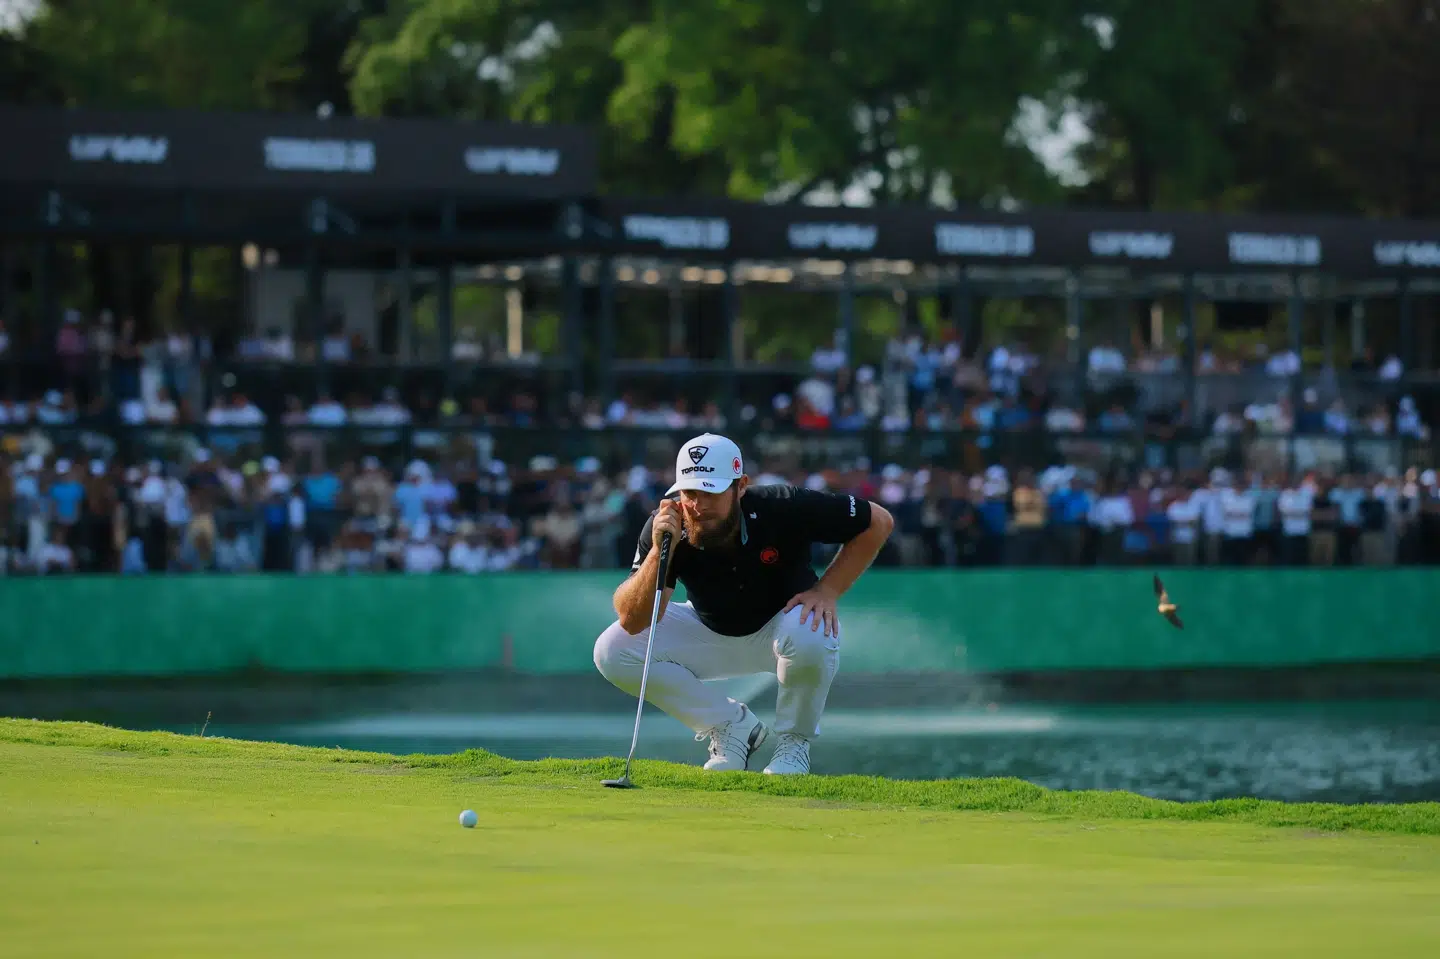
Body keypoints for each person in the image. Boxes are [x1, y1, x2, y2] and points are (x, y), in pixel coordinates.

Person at [592, 433, 894, 776]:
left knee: (811, 628)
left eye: (711, 491)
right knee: (612, 649)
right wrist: (661, 550)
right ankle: (731, 726)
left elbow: (878, 522)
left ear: (741, 486)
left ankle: (793, 744)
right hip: (709, 634)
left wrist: (827, 591)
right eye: (690, 492)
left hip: (783, 632)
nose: (698, 504)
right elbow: (634, 621)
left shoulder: (783, 505)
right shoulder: (667, 525)